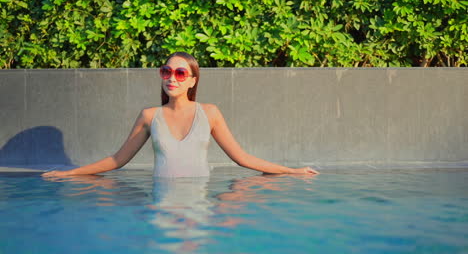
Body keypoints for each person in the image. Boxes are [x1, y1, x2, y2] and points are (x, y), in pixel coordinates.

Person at [42, 52, 319, 178]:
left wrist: (292, 171)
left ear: (192, 81)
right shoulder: (149, 116)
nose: (171, 78)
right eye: (166, 71)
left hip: (198, 202)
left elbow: (242, 158)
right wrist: (71, 173)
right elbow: (117, 160)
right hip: (161, 201)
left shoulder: (210, 113)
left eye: (180, 73)